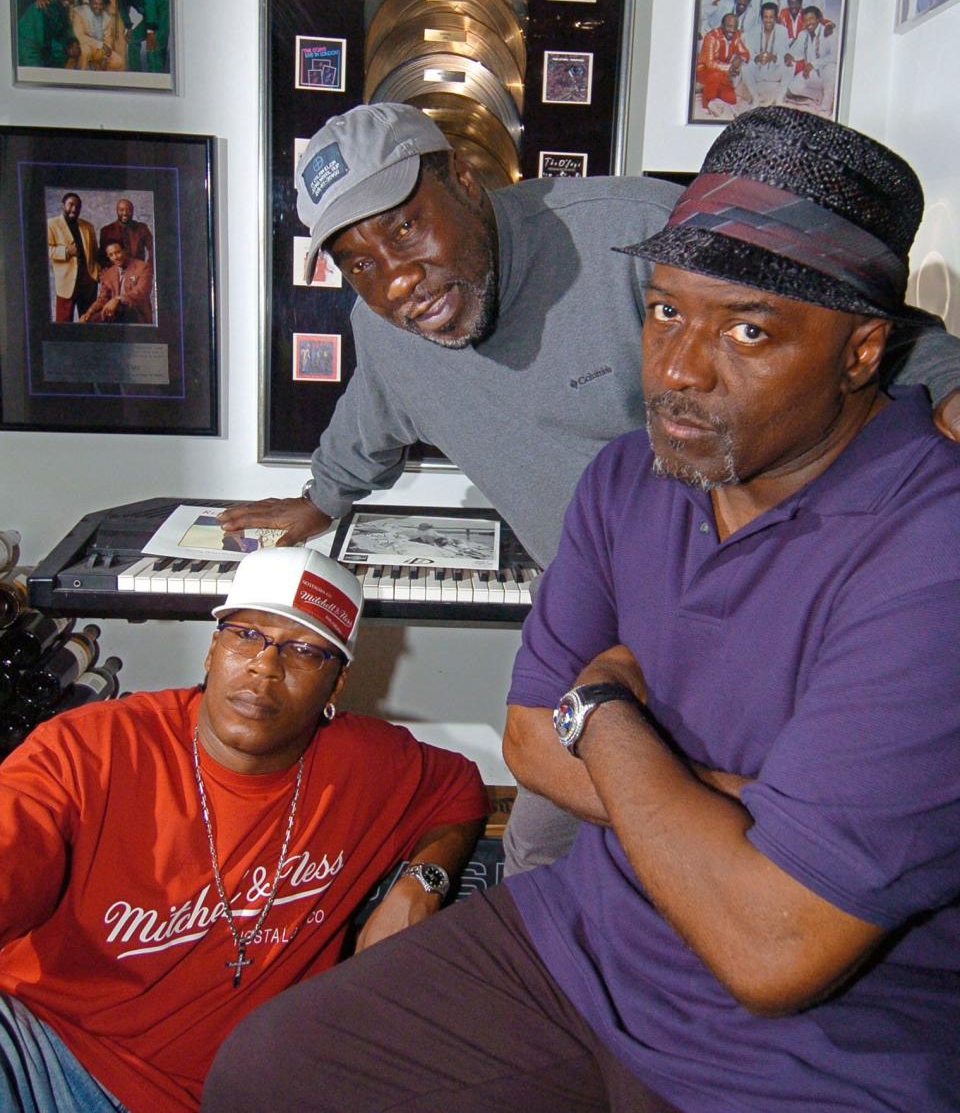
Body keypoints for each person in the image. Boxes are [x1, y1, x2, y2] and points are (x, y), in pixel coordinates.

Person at [203, 108, 960, 1113]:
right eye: (354, 260)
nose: (392, 281)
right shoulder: (620, 474)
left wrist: (603, 715)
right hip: (607, 659)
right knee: (289, 1058)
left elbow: (772, 935)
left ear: (466, 177)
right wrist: (323, 497)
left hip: (796, 1000)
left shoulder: (629, 230)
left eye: (401, 230)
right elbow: (528, 739)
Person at [0, 546, 487, 1113]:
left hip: (239, 1087)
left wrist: (420, 887)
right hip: (47, 1057)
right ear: (212, 650)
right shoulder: (89, 748)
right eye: (246, 636)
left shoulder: (368, 763)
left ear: (337, 685)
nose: (265, 666)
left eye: (304, 650)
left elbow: (462, 793)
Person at [109, 0, 169, 73]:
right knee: (132, 40)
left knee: (152, 48)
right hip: (149, 16)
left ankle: (155, 82)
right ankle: (135, 74)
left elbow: (150, 3)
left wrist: (150, 32)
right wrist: (129, 26)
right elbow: (122, 7)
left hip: (162, 12)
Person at [47, 191, 99, 323]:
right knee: (63, 325)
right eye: (71, 205)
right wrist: (66, 251)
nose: (74, 209)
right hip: (66, 283)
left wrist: (97, 273)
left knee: (89, 322)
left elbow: (95, 253)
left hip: (88, 282)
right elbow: (44, 250)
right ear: (63, 205)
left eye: (77, 206)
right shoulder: (51, 224)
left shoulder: (88, 226)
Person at [80, 238, 154, 324]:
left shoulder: (142, 267)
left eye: (118, 252)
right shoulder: (109, 273)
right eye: (111, 255)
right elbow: (103, 298)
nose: (115, 257)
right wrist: (89, 313)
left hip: (137, 314)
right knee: (90, 321)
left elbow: (141, 292)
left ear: (125, 250)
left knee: (116, 310)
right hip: (115, 314)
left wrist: (117, 299)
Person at [784, 5, 838, 116]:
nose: (809, 23)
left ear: (818, 19)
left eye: (811, 19)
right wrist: (789, 56)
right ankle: (816, 97)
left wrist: (813, 64)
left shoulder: (827, 32)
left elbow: (835, 56)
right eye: (806, 20)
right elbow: (796, 53)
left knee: (831, 68)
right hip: (812, 74)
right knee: (791, 92)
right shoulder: (803, 34)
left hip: (826, 74)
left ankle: (825, 108)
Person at [694, 12, 750, 117]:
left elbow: (745, 53)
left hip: (725, 73)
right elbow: (710, 63)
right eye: (729, 26)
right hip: (704, 71)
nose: (732, 30)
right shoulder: (711, 36)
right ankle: (707, 103)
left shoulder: (736, 35)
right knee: (717, 76)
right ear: (722, 25)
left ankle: (716, 102)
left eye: (735, 27)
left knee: (731, 100)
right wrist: (730, 67)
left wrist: (739, 59)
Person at [17, 0, 80, 69]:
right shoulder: (45, 6)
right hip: (28, 50)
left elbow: (65, 29)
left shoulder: (61, 7)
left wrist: (73, 42)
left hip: (42, 48)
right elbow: (40, 41)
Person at [741, 0, 791, 106]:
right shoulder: (753, 31)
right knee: (744, 66)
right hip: (758, 71)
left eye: (771, 17)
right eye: (765, 17)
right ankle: (755, 98)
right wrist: (756, 58)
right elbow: (749, 53)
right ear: (761, 18)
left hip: (774, 70)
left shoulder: (783, 31)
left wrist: (773, 57)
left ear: (776, 18)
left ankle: (779, 99)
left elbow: (784, 54)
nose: (768, 20)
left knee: (791, 65)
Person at [72, 0, 125, 72]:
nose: (98, 7)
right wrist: (99, 44)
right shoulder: (80, 13)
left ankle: (100, 78)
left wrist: (105, 57)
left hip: (99, 50)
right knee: (85, 51)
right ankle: (81, 78)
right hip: (84, 46)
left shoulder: (107, 18)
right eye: (95, 4)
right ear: (89, 3)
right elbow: (80, 36)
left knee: (118, 62)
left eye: (101, 4)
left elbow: (108, 40)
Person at [99, 197, 154, 266]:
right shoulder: (106, 231)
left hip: (138, 270)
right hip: (116, 271)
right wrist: (109, 271)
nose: (125, 213)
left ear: (133, 211)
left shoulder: (142, 228)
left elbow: (153, 248)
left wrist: (150, 266)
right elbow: (102, 256)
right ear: (117, 211)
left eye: (128, 210)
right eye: (121, 210)